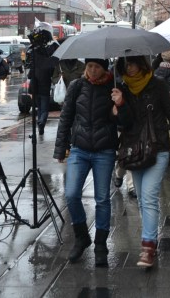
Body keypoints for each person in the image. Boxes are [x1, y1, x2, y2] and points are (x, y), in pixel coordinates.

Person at [113, 55, 170, 268]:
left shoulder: (158, 85)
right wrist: (119, 106)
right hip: (134, 151)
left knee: (148, 197)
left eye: (132, 63)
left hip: (158, 150)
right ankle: (150, 241)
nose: (130, 68)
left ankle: (148, 247)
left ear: (141, 63)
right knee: (140, 199)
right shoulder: (122, 89)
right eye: (125, 65)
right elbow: (124, 124)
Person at [53, 58, 117, 267]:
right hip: (79, 149)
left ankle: (100, 245)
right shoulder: (77, 85)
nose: (92, 70)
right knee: (71, 194)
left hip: (104, 150)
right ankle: (81, 236)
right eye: (89, 66)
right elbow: (66, 117)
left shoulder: (114, 86)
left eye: (96, 67)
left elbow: (125, 120)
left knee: (102, 199)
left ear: (104, 69)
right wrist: (61, 147)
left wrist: (120, 105)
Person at [27, 26, 59, 136]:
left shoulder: (35, 62)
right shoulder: (48, 65)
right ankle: (41, 122)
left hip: (36, 89)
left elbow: (30, 75)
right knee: (44, 109)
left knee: (40, 108)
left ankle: (40, 124)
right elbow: (52, 74)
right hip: (44, 89)